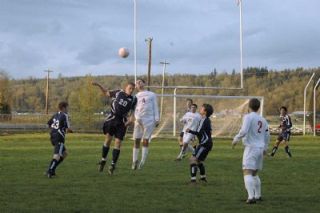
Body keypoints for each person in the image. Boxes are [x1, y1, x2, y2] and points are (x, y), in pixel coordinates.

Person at [92, 81, 136, 175]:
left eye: (133, 89)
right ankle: (103, 160)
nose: (131, 91)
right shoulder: (118, 92)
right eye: (130, 88)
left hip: (122, 122)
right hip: (112, 119)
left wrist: (130, 120)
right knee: (108, 139)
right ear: (125, 88)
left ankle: (112, 165)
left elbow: (132, 113)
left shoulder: (132, 99)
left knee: (118, 142)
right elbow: (106, 92)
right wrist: (98, 85)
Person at [232, 98, 270, 204]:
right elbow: (267, 135)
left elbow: (244, 131)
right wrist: (265, 148)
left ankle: (251, 197)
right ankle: (258, 195)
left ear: (249, 106)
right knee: (254, 173)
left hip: (251, 148)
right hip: (260, 148)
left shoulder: (248, 117)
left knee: (247, 171)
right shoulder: (263, 120)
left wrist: (236, 139)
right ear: (258, 107)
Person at [132, 79, 159, 170]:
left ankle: (142, 161)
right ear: (136, 86)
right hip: (139, 120)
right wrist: (137, 117)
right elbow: (134, 109)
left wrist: (157, 119)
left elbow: (155, 106)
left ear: (144, 83)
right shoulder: (135, 96)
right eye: (137, 83)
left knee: (145, 140)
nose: (139, 84)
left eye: (140, 82)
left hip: (149, 120)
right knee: (136, 140)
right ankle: (134, 161)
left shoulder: (151, 94)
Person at [186, 103, 213, 184]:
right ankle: (203, 178)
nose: (200, 109)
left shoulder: (204, 120)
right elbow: (205, 132)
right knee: (199, 161)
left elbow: (199, 132)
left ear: (205, 111)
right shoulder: (206, 119)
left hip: (205, 144)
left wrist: (190, 131)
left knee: (193, 159)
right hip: (206, 143)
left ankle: (193, 181)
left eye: (202, 108)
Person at [46, 101, 73, 178]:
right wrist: (70, 130)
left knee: (65, 153)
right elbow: (68, 128)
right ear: (64, 108)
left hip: (53, 136)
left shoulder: (55, 115)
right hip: (59, 137)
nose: (68, 109)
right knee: (57, 155)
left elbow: (48, 124)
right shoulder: (65, 115)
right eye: (67, 107)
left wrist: (52, 131)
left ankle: (52, 169)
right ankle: (50, 171)